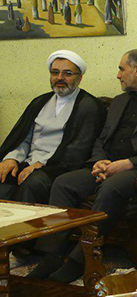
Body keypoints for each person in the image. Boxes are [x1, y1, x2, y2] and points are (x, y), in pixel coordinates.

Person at [29, 49, 137, 282]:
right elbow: (101, 139)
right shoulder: (120, 101)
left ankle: (80, 260)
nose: (118, 75)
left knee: (112, 187)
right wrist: (99, 161)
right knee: (64, 183)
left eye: (121, 69)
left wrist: (127, 164)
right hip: (108, 165)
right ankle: (51, 255)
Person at [0, 51, 104, 205]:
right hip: (28, 162)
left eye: (67, 73)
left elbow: (79, 148)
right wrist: (11, 159)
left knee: (33, 183)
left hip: (58, 168)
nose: (60, 78)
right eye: (55, 72)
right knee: (3, 176)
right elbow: (23, 138)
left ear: (80, 77)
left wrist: (41, 164)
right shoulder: (39, 102)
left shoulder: (89, 106)